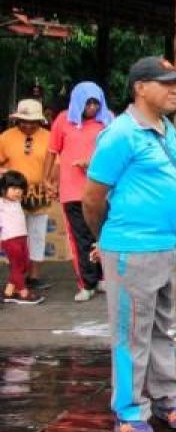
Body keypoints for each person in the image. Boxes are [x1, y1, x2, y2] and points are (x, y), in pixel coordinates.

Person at [82, 56, 176, 432]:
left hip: (165, 245)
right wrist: (106, 240)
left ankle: (169, 397)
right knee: (131, 332)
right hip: (131, 248)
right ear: (140, 87)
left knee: (162, 327)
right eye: (166, 83)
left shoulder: (166, 129)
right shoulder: (120, 134)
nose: (175, 90)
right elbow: (93, 198)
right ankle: (130, 409)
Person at [44, 82, 114, 301]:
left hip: (103, 189)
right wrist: (46, 179)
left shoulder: (109, 119)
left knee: (105, 234)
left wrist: (92, 163)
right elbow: (51, 151)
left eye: (96, 102)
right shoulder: (63, 120)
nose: (92, 107)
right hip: (72, 190)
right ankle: (87, 282)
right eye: (88, 102)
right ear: (77, 102)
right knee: (80, 238)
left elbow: (117, 151)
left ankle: (105, 277)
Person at [0, 99, 53, 292]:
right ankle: (16, 276)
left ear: (39, 121)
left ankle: (34, 275)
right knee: (14, 236)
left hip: (39, 192)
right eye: (23, 120)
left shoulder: (50, 137)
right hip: (12, 196)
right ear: (18, 120)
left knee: (37, 234)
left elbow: (56, 163)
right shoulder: (5, 137)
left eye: (32, 121)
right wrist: (5, 174)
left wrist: (52, 183)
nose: (28, 125)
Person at [1, 171, 43, 304]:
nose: (17, 192)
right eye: (13, 189)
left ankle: (8, 292)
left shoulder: (17, 201)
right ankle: (23, 292)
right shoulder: (1, 203)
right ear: (3, 189)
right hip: (9, 239)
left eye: (20, 189)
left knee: (24, 265)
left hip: (22, 238)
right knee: (17, 266)